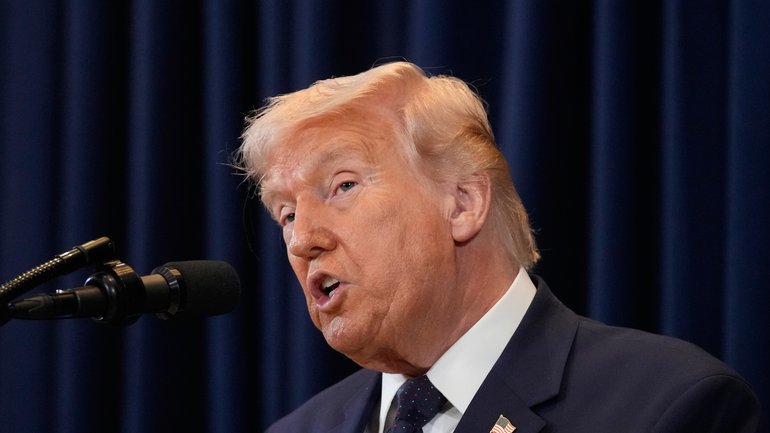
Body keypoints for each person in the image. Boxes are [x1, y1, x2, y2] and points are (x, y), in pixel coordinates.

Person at [237, 61, 761, 433]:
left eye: (344, 186)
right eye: (286, 213)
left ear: (463, 202)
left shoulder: (667, 405)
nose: (303, 239)